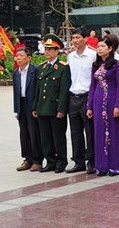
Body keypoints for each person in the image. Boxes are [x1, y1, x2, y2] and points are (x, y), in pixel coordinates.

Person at [32, 34, 71, 173]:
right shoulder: (41, 68)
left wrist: (61, 109)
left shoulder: (62, 67)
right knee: (45, 138)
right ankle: (50, 161)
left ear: (57, 51)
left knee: (58, 136)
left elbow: (63, 90)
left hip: (55, 108)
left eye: (50, 49)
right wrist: (35, 107)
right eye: (46, 49)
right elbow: (38, 89)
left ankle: (61, 161)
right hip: (43, 107)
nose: (47, 52)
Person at [86, 38, 119, 176]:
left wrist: (118, 105)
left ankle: (114, 166)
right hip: (97, 100)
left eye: (103, 46)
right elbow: (92, 86)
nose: (99, 48)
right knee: (99, 133)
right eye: (98, 46)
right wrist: (89, 106)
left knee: (113, 132)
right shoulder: (95, 65)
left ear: (110, 49)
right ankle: (101, 166)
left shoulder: (116, 65)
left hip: (112, 99)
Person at [66, 28, 97, 175]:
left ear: (85, 39)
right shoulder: (70, 57)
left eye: (78, 37)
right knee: (75, 132)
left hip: (87, 96)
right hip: (73, 97)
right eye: (73, 38)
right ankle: (78, 161)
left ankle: (92, 161)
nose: (75, 40)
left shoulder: (93, 55)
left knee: (90, 131)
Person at [13, 47, 42, 172]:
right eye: (16, 56)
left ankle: (37, 160)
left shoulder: (35, 70)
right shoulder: (16, 73)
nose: (18, 58)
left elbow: (38, 90)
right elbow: (16, 92)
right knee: (23, 133)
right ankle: (27, 159)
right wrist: (16, 110)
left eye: (21, 55)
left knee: (34, 132)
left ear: (29, 58)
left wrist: (36, 106)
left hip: (32, 105)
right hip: (22, 105)